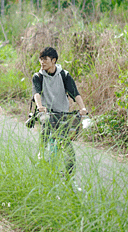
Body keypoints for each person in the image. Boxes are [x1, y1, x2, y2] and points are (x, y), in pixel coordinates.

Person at [32, 46, 88, 177]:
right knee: (46, 129)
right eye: (41, 59)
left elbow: (75, 93)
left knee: (65, 138)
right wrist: (40, 106)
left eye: (45, 59)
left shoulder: (64, 75)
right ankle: (42, 152)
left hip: (62, 112)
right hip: (46, 112)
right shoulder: (38, 76)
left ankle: (68, 172)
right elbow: (36, 93)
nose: (42, 62)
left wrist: (83, 107)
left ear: (54, 60)